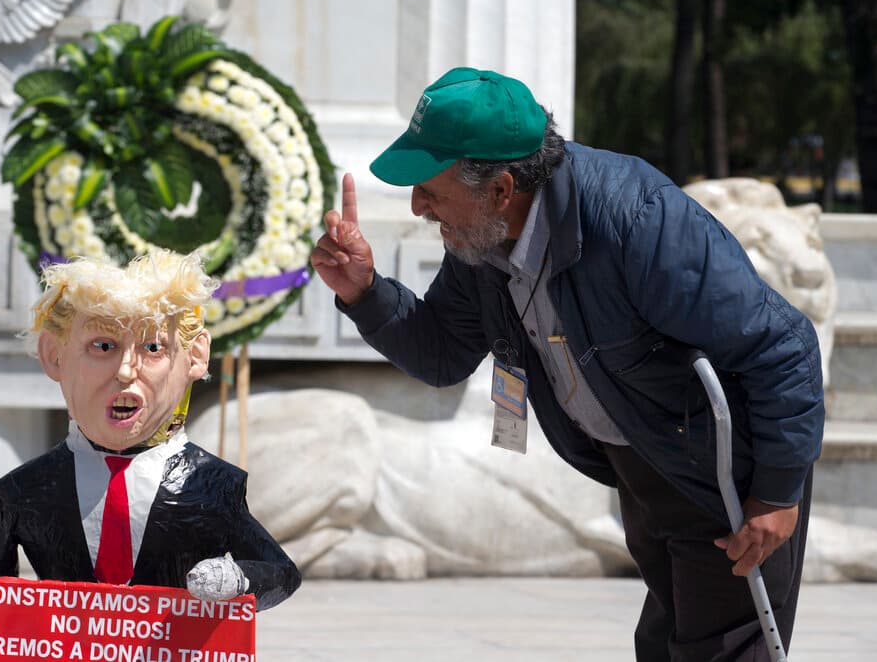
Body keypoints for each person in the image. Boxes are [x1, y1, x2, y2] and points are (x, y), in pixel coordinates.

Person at [310, 67, 823, 661]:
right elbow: (444, 353)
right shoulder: (483, 237)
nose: (419, 205)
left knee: (723, 652)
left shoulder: (639, 219)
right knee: (665, 647)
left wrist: (777, 496)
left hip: (726, 477)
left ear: (500, 188)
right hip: (648, 466)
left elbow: (783, 346)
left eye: (430, 186)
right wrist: (364, 291)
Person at [0, 250, 300, 661]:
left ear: (194, 358)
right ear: (54, 355)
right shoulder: (22, 491)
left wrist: (237, 578)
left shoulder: (211, 485)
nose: (126, 370)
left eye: (152, 348)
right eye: (103, 346)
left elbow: (282, 572)